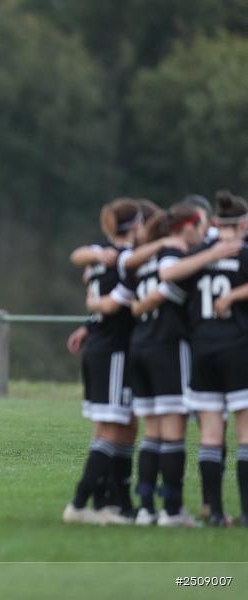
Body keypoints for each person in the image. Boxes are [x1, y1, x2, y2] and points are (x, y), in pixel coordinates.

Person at [87, 203, 206, 526]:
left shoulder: (139, 263)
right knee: (172, 432)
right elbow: (163, 292)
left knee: (151, 434)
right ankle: (171, 509)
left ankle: (145, 508)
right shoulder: (174, 259)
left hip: (138, 346)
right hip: (167, 346)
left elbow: (132, 303)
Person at [160, 190, 248, 527]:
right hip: (238, 349)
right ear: (243, 224)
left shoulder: (197, 257)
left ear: (214, 223)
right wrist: (235, 296)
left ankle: (213, 511)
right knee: (244, 434)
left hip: (202, 351)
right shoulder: (244, 254)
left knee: (211, 435)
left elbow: (169, 281)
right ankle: (246, 514)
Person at [63, 198, 140, 525]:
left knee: (121, 427)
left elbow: (78, 256)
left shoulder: (101, 256)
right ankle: (81, 503)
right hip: (114, 351)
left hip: (101, 346)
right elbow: (110, 306)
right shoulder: (126, 260)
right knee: (111, 429)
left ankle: (114, 503)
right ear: (135, 226)